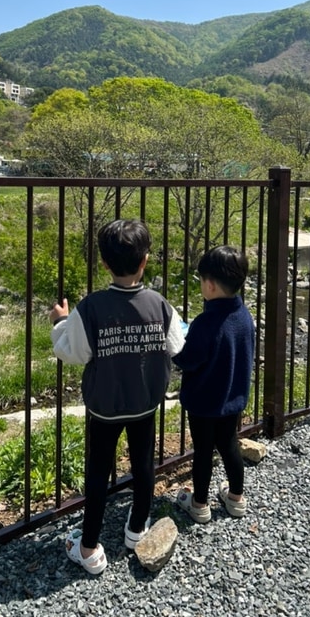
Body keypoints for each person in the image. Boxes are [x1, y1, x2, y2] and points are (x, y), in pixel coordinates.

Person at [49, 219, 185, 574]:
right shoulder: (159, 304)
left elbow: (73, 352)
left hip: (105, 406)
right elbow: (176, 346)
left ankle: (90, 548)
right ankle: (136, 529)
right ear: (145, 262)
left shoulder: (90, 308)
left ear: (104, 263)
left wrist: (59, 323)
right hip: (145, 403)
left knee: (98, 472)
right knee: (143, 466)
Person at [172, 245, 255, 523]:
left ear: (209, 285)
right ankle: (236, 498)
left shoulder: (206, 323)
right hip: (232, 398)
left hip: (204, 402)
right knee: (230, 445)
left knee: (204, 452)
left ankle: (199, 504)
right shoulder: (244, 317)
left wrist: (175, 347)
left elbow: (188, 360)